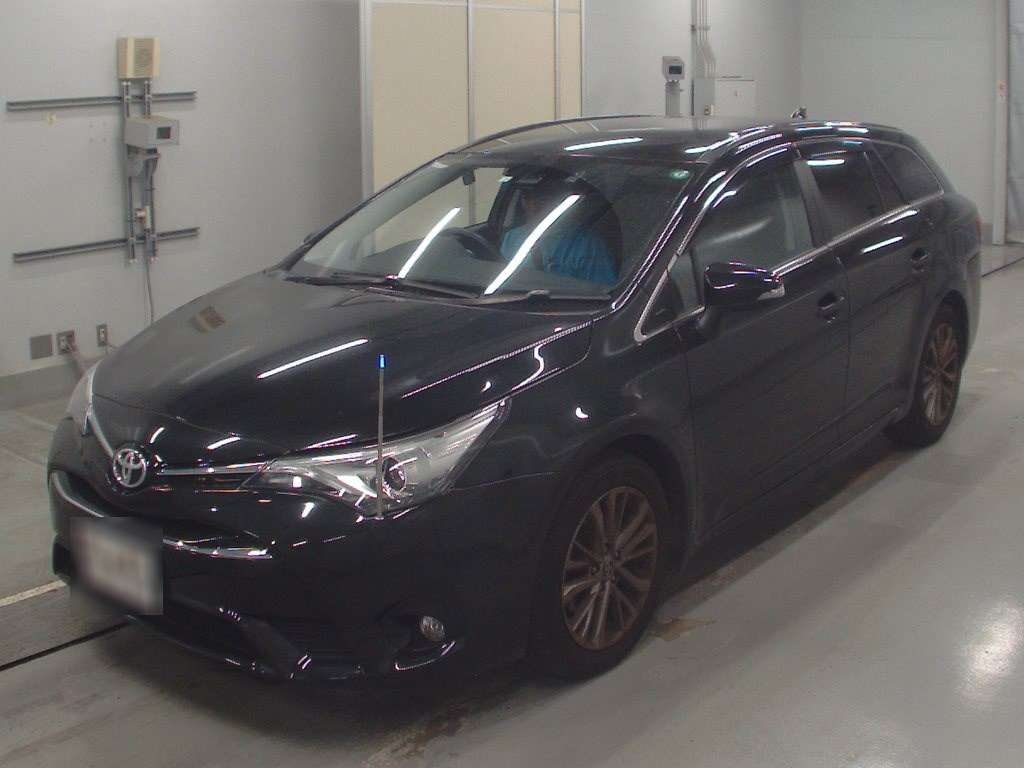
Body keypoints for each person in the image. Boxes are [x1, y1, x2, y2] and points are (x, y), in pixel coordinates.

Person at [500, 183, 617, 285]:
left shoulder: (587, 243)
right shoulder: (512, 237)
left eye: (543, 200)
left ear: (560, 203)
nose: (534, 206)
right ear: (524, 202)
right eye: (529, 199)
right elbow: (501, 280)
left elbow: (602, 291)